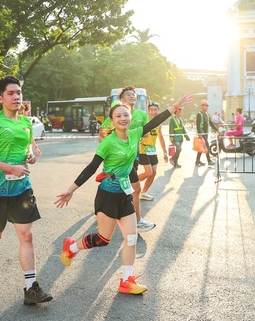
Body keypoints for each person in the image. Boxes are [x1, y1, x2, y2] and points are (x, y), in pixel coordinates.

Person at [55, 93, 193, 295]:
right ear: (112, 121)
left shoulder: (136, 133)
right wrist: (70, 189)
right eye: (118, 116)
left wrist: (175, 106)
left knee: (131, 238)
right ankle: (72, 247)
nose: (123, 118)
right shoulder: (108, 142)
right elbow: (91, 167)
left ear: (131, 116)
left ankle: (126, 281)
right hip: (107, 196)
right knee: (104, 239)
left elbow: (156, 120)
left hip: (124, 195)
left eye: (125, 115)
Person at [0, 75, 52, 305]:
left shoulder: (26, 123)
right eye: (10, 93)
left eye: (18, 93)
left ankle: (31, 287)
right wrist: (10, 167)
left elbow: (26, 149)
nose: (16, 97)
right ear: (0, 98)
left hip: (21, 189)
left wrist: (29, 157)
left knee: (26, 235)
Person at [99, 86, 155, 233]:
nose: (132, 96)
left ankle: (114, 212)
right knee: (135, 188)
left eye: (133, 94)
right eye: (128, 94)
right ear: (122, 99)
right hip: (119, 159)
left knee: (127, 187)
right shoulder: (116, 113)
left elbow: (146, 134)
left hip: (134, 155)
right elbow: (102, 134)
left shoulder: (141, 114)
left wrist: (133, 135)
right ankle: (137, 221)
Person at [138, 102, 167, 200]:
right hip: (143, 149)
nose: (154, 112)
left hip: (152, 150)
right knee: (148, 172)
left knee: (153, 172)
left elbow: (161, 138)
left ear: (158, 111)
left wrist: (165, 152)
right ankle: (129, 185)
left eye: (155, 109)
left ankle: (144, 192)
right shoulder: (144, 121)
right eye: (151, 110)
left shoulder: (158, 124)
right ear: (148, 111)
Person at [195, 99, 218, 166]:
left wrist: (217, 130)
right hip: (202, 134)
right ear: (202, 106)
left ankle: (197, 161)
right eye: (206, 105)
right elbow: (198, 125)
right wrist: (200, 134)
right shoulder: (199, 114)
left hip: (206, 133)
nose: (207, 107)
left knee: (201, 147)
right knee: (207, 146)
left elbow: (211, 123)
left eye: (207, 106)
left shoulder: (207, 115)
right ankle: (209, 161)